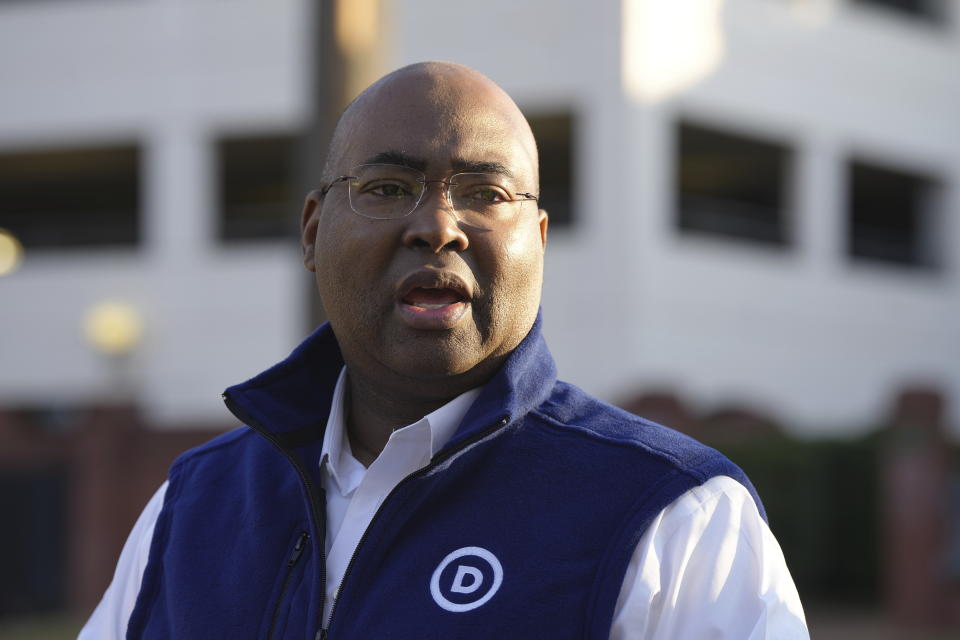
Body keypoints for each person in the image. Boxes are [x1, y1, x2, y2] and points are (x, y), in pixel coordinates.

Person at [80, 61, 808, 639]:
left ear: (541, 242)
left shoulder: (675, 518)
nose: (438, 226)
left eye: (486, 193)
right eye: (389, 187)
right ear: (311, 231)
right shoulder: (191, 508)